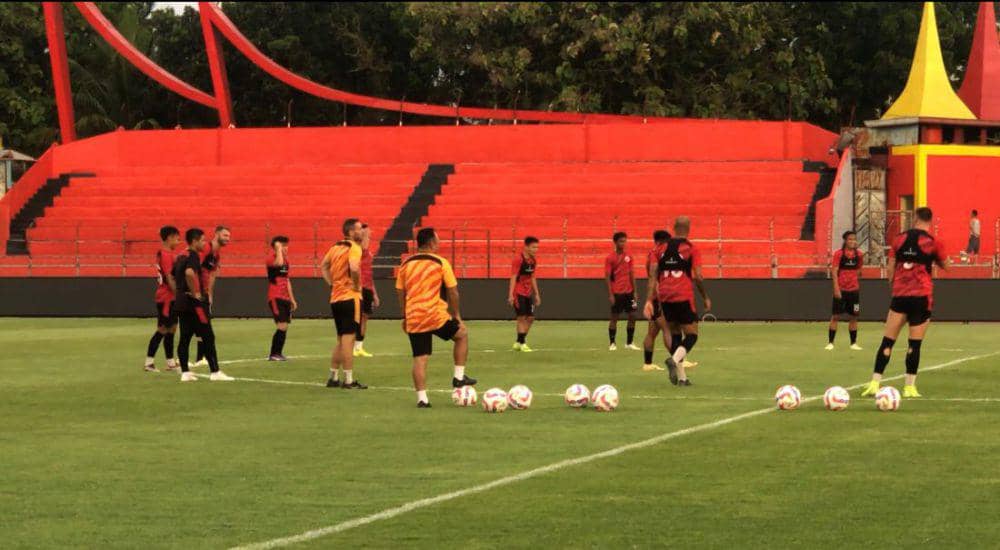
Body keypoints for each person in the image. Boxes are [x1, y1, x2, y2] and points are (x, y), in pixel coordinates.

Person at [861, 207, 948, 399]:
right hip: (921, 297)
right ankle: (909, 388)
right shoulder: (933, 243)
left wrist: (895, 284)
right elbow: (946, 265)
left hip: (900, 296)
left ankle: (875, 383)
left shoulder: (898, 239)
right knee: (914, 345)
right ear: (930, 221)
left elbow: (890, 270)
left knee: (887, 341)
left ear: (914, 218)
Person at [396, 228, 477, 408]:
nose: (439, 243)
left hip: (415, 316)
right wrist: (456, 315)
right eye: (438, 240)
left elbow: (400, 291)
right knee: (462, 334)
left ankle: (422, 399)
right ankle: (458, 377)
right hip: (435, 315)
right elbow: (453, 291)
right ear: (431, 243)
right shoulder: (440, 262)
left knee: (420, 358)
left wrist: (405, 314)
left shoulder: (406, 264)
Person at [644, 216, 711, 386]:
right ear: (689, 228)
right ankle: (673, 360)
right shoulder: (691, 248)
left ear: (673, 228)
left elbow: (652, 275)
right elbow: (697, 276)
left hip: (665, 298)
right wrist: (705, 297)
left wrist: (648, 300)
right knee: (692, 335)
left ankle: (682, 378)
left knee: (675, 334)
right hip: (683, 296)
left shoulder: (658, 250)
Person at [172, 228, 233, 382]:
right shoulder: (194, 254)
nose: (204, 243)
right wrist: (196, 293)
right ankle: (215, 371)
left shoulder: (182, 255)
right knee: (208, 335)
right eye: (202, 240)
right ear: (195, 241)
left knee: (185, 335)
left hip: (181, 301)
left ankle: (185, 372)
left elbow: (174, 275)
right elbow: (190, 273)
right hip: (194, 302)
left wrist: (181, 292)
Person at [320, 218, 367, 389]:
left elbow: (323, 266)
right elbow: (354, 268)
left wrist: (332, 283)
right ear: (351, 232)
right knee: (349, 339)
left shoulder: (335, 247)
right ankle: (348, 380)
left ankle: (333, 377)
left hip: (336, 298)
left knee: (341, 339)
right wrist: (355, 285)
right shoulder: (354, 248)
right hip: (350, 297)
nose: (362, 232)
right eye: (360, 229)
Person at [193, 225, 231, 367]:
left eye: (229, 236)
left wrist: (210, 294)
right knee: (202, 326)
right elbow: (195, 268)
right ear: (216, 234)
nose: (228, 238)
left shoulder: (217, 254)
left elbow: (212, 275)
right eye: (225, 235)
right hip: (196, 293)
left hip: (204, 293)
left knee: (200, 325)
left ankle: (199, 358)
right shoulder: (207, 248)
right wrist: (196, 291)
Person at [144, 226, 181, 372]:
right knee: (163, 328)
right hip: (166, 297)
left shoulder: (169, 253)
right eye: (177, 237)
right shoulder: (166, 255)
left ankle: (170, 363)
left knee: (172, 328)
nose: (178, 240)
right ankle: (149, 362)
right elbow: (169, 277)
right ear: (169, 237)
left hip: (169, 296)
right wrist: (178, 295)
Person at [827, 230, 864, 351]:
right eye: (850, 239)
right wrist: (836, 289)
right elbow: (834, 271)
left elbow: (859, 270)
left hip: (854, 291)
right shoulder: (839, 254)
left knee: (854, 316)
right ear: (845, 241)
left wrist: (853, 280)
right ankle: (831, 343)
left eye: (854, 239)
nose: (853, 241)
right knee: (835, 316)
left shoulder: (859, 255)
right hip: (841, 290)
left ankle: (853, 343)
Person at [642, 230, 671, 371]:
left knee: (652, 332)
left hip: (653, 296)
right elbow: (654, 276)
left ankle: (647, 364)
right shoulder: (658, 254)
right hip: (658, 296)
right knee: (667, 328)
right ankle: (679, 361)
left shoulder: (651, 254)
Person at [605, 232, 639, 351]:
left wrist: (635, 291)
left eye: (624, 241)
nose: (623, 243)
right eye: (621, 241)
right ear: (615, 242)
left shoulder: (629, 256)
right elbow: (608, 277)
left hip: (629, 292)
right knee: (614, 317)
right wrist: (610, 294)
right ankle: (612, 343)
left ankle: (629, 342)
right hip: (617, 292)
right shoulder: (610, 258)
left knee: (633, 316)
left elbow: (632, 274)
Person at [266, 236, 297, 361]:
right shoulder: (271, 258)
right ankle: (274, 354)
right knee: (282, 325)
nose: (286, 248)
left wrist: (292, 299)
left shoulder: (286, 261)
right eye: (283, 245)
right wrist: (278, 250)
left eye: (286, 245)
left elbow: (287, 280)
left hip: (284, 297)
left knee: (284, 326)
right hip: (275, 296)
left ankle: (278, 353)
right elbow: (278, 263)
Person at [509, 236, 541, 352]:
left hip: (528, 293)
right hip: (518, 292)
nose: (535, 249)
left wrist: (537, 294)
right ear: (526, 247)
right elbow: (513, 277)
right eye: (533, 247)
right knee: (521, 317)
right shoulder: (518, 260)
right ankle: (522, 343)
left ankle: (518, 341)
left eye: (537, 247)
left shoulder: (533, 260)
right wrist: (511, 295)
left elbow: (532, 277)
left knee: (531, 318)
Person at [354, 223, 380, 358]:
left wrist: (375, 294)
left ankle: (359, 347)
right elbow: (363, 245)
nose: (368, 235)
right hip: (360, 287)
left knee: (365, 317)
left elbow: (369, 273)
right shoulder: (359, 249)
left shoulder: (368, 252)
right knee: (357, 317)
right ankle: (352, 346)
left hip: (368, 287)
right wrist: (365, 233)